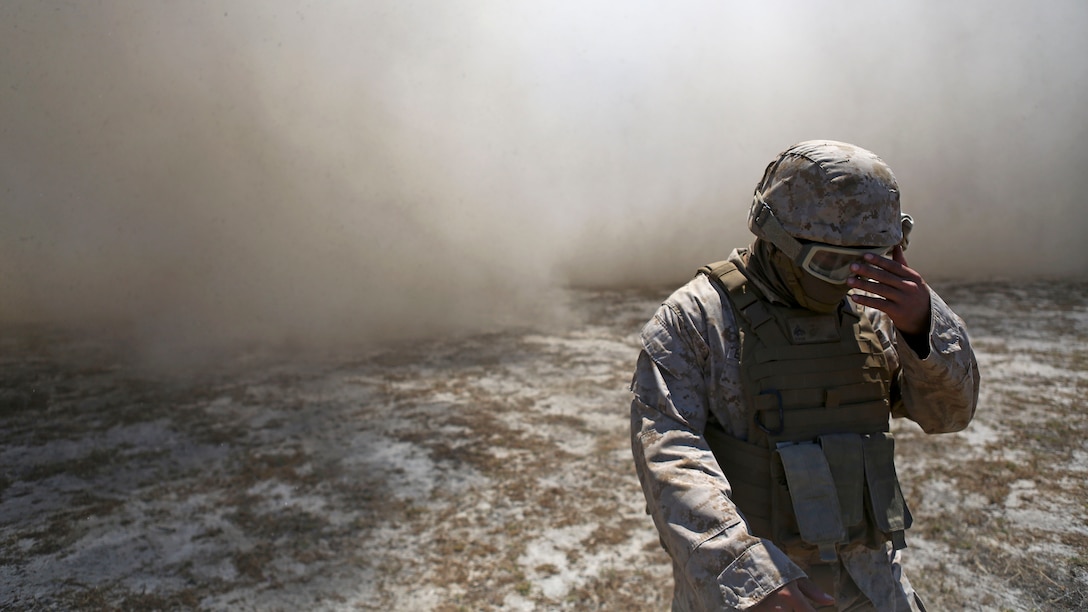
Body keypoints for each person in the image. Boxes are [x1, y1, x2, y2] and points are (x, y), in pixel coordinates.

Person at [629, 140, 980, 611]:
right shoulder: (697, 320)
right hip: (762, 590)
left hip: (872, 583)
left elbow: (947, 415)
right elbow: (669, 456)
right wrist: (750, 577)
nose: (848, 280)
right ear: (775, 238)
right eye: (831, 263)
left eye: (870, 260)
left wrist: (924, 328)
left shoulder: (872, 312)